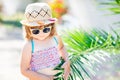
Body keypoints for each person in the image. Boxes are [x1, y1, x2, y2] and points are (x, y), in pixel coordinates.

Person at [20, 3, 70, 80]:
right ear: (28, 30)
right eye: (36, 31)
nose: (41, 34)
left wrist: (66, 60)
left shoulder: (55, 38)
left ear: (52, 26)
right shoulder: (29, 45)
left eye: (46, 29)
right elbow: (24, 70)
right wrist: (45, 78)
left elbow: (62, 47)